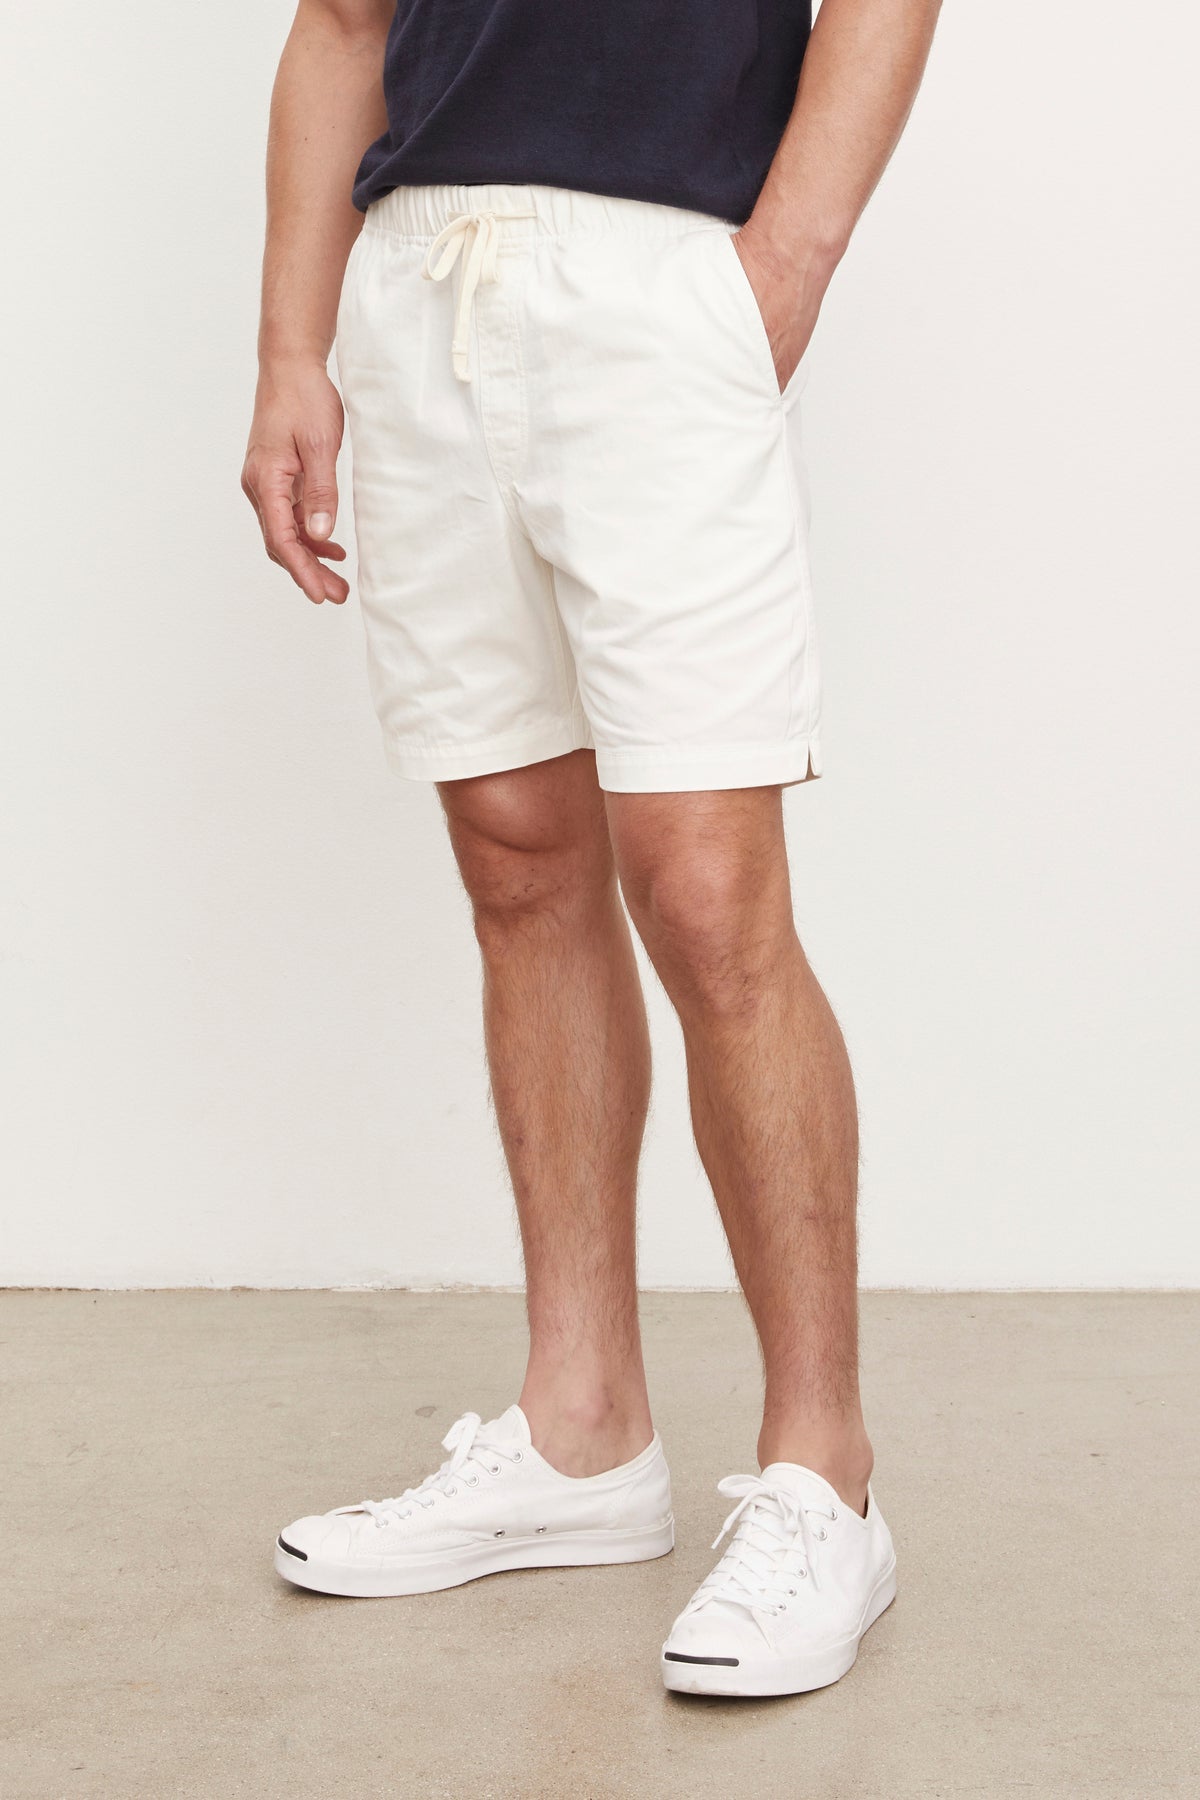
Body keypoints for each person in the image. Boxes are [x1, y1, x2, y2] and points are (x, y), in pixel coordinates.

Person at [242, 0, 941, 1698]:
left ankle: (823, 1472)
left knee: (707, 892)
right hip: (419, 274)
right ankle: (581, 1435)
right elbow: (342, 20)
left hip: (660, 275)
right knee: (517, 860)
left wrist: (783, 266)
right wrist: (291, 348)